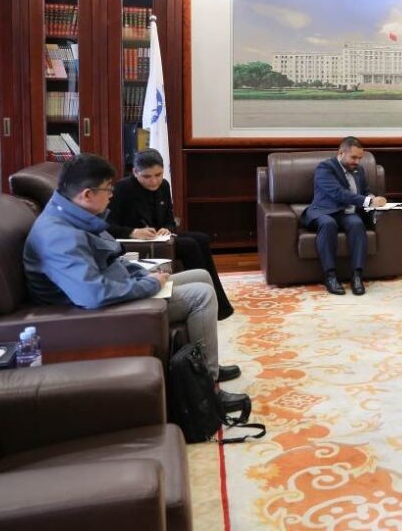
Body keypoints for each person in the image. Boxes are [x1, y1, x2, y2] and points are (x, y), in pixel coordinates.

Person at [23, 154, 247, 412]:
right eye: (108, 190)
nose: (111, 196)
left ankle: (203, 366)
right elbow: (93, 294)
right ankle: (207, 390)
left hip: (118, 288)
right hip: (98, 311)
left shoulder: (76, 216)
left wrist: (143, 274)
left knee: (200, 276)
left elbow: (112, 259)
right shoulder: (58, 237)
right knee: (201, 295)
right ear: (87, 194)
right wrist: (149, 285)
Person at [107, 148, 234, 320]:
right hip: (135, 242)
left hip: (161, 238)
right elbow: (108, 226)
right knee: (189, 245)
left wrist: (167, 228)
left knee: (201, 238)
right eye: (147, 176)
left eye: (158, 175)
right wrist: (133, 232)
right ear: (135, 172)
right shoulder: (122, 189)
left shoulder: (164, 185)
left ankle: (220, 304)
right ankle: (203, 301)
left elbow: (170, 220)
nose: (154, 181)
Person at [301, 137, 387, 296]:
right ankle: (330, 276)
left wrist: (373, 197)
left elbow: (364, 191)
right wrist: (368, 201)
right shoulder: (325, 168)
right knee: (328, 224)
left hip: (346, 213)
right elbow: (338, 193)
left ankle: (357, 276)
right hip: (324, 211)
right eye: (353, 157)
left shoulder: (359, 170)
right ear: (341, 153)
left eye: (359, 158)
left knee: (357, 224)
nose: (357, 161)